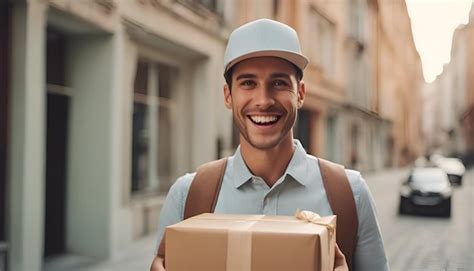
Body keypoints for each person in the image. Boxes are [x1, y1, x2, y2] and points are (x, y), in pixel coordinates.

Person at [150, 18, 389, 271]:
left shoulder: (350, 194)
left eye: (279, 83)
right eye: (248, 83)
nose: (263, 100)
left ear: (300, 94)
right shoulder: (187, 196)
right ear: (228, 96)